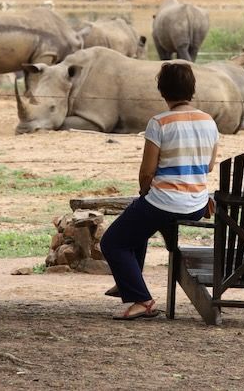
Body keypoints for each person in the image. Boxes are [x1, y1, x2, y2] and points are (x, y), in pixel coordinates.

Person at [100, 62, 219, 320]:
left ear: (162, 90)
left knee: (112, 242)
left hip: (165, 202)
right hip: (197, 204)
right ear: (192, 89)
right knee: (137, 225)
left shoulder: (159, 123)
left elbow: (147, 172)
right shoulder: (208, 121)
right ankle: (127, 280)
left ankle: (141, 300)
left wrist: (144, 192)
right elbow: (209, 166)